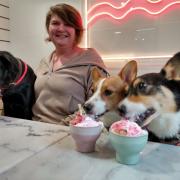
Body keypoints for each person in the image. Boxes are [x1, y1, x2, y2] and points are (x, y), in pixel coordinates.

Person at [32, 3, 108, 125]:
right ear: (48, 28)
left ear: (76, 30)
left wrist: (65, 126)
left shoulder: (91, 64)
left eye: (68, 24)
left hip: (68, 134)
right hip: (33, 129)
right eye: (55, 23)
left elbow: (99, 108)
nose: (61, 28)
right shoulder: (44, 62)